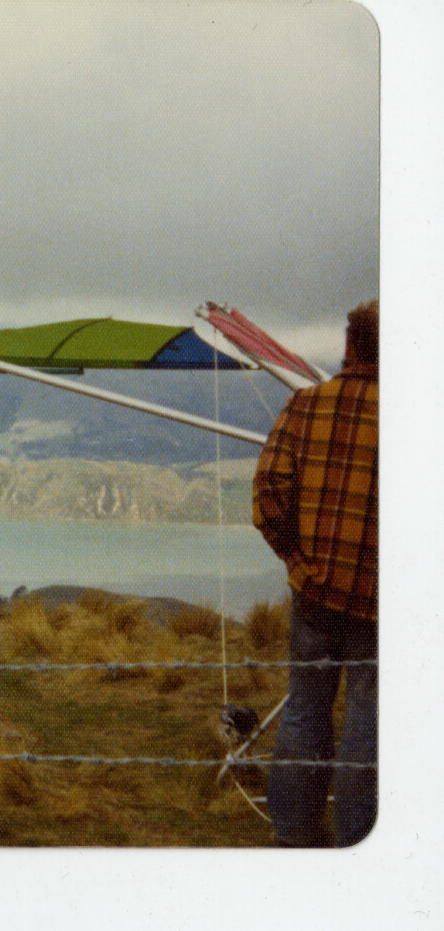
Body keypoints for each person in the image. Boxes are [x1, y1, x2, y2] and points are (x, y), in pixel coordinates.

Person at [253, 300, 378, 848]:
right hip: (381, 600)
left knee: (305, 708)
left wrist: (298, 561)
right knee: (369, 722)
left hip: (315, 590)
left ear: (348, 346)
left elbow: (268, 493)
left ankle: (294, 836)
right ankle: (360, 841)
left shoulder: (305, 404)